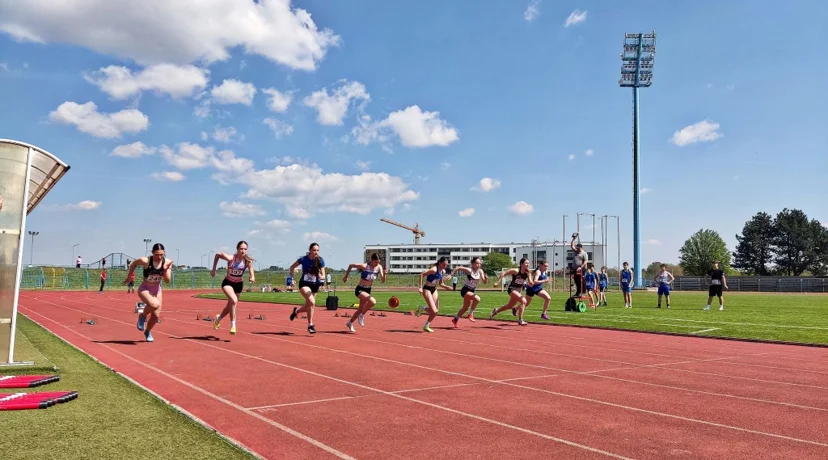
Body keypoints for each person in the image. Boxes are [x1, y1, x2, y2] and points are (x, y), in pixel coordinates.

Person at [124, 243, 174, 342]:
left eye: (161, 254)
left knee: (156, 316)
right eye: (156, 254)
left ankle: (147, 331)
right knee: (154, 304)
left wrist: (165, 270)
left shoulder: (167, 262)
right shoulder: (145, 260)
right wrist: (129, 276)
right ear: (152, 253)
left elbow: (167, 281)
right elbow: (134, 263)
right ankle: (142, 315)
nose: (159, 257)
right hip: (145, 288)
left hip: (157, 289)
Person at [210, 241, 256, 335]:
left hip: (239, 285)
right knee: (234, 300)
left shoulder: (247, 261)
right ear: (237, 249)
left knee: (229, 306)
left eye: (245, 249)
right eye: (241, 249)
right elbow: (218, 254)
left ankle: (218, 319)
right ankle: (233, 326)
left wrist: (252, 277)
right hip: (228, 283)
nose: (243, 251)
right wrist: (213, 269)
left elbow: (252, 272)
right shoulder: (231, 258)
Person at [288, 242, 327, 334]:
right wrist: (292, 278)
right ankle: (310, 325)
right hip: (304, 284)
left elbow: (323, 276)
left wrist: (318, 274)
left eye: (317, 250)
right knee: (312, 302)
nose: (316, 252)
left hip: (315, 285)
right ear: (309, 250)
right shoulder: (303, 259)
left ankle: (296, 311)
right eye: (314, 250)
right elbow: (292, 267)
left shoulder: (320, 260)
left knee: (308, 306)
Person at [342, 253, 386, 332]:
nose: (377, 264)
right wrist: (346, 276)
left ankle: (350, 322)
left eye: (378, 262)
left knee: (360, 309)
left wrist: (385, 274)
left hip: (368, 290)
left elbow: (383, 281)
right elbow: (351, 265)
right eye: (376, 262)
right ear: (371, 260)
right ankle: (362, 315)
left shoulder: (379, 267)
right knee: (373, 301)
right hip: (360, 289)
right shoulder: (365, 266)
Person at [414, 257, 452, 333]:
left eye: (446, 265)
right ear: (440, 263)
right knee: (434, 311)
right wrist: (420, 287)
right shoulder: (434, 269)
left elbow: (441, 284)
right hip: (427, 289)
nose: (445, 266)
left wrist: (447, 287)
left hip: (434, 289)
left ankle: (422, 308)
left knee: (436, 311)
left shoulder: (443, 271)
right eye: (444, 264)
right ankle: (426, 326)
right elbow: (421, 275)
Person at [489, 258, 530, 326]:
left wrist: (531, 283)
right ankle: (520, 320)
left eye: (528, 263)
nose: (527, 264)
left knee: (509, 306)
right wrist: (497, 282)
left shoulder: (527, 273)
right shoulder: (516, 271)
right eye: (526, 263)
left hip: (518, 291)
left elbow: (531, 281)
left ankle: (496, 310)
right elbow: (504, 273)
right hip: (512, 289)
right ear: (521, 264)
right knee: (524, 301)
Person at [449, 256, 488, 327]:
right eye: (477, 263)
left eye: (479, 263)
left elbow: (484, 282)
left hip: (472, 291)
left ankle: (455, 319)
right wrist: (451, 275)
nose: (478, 265)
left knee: (465, 308)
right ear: (473, 264)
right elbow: (458, 268)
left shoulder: (480, 271)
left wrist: (486, 278)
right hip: (465, 290)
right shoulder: (469, 271)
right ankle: (470, 314)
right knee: (477, 299)